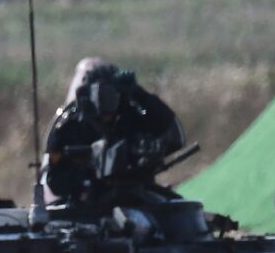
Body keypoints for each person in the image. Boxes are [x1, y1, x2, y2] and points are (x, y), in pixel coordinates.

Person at [42, 59, 184, 202]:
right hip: (87, 204)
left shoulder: (130, 116)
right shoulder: (70, 126)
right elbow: (55, 181)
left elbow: (174, 135)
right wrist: (86, 177)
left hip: (138, 197)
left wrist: (140, 93)